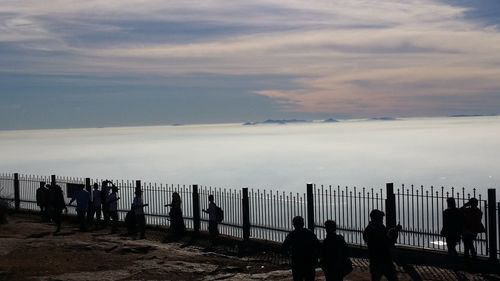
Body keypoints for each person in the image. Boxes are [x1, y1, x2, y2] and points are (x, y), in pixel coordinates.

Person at [363, 209, 401, 281]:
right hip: (379, 261)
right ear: (376, 219)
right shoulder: (369, 231)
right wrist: (392, 232)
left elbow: (386, 240)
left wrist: (394, 232)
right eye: (381, 219)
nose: (382, 220)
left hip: (382, 260)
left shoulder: (379, 228)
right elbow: (385, 242)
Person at [282, 216, 320, 281]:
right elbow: (317, 245)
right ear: (303, 224)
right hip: (309, 260)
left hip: (297, 261)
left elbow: (284, 247)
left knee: (297, 278)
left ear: (294, 225)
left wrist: (288, 254)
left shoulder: (292, 234)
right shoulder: (309, 233)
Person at [461, 198, 484, 262]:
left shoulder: (467, 210)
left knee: (467, 247)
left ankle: (469, 261)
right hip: (474, 231)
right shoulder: (479, 212)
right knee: (469, 245)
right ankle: (473, 258)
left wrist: (465, 205)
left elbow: (459, 211)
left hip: (466, 231)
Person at [441, 198, 463, 264]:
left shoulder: (446, 212)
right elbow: (460, 222)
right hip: (456, 232)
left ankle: (454, 261)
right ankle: (455, 261)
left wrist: (443, 230)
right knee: (452, 246)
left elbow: (445, 223)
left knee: (450, 247)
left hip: (449, 232)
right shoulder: (458, 211)